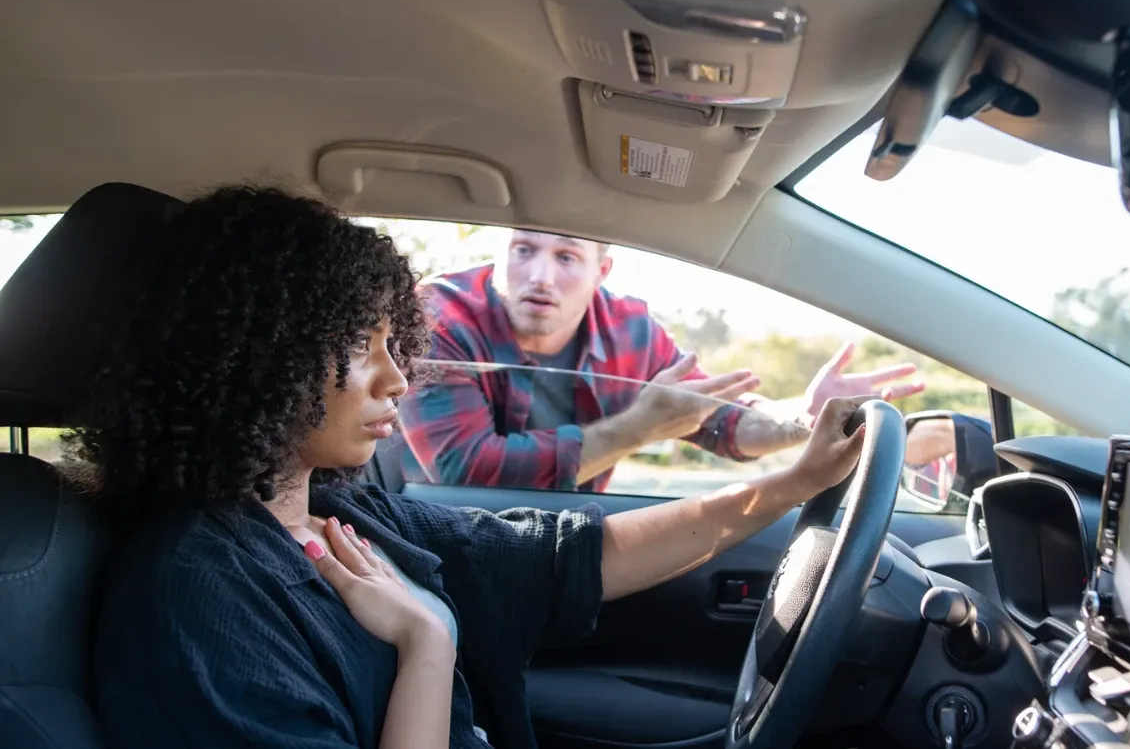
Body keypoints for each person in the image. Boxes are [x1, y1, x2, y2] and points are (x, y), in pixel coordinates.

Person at [73, 186, 874, 749]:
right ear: (254, 354)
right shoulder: (197, 597)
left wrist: (796, 480)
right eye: (362, 347)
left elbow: (572, 557)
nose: (398, 377)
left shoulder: (340, 511)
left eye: (397, 344)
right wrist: (430, 643)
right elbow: (473, 467)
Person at [393, 228, 926, 490]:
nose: (540, 276)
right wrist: (634, 431)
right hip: (439, 536)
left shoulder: (632, 329)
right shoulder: (442, 316)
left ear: (602, 271)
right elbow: (465, 471)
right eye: (523, 249)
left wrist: (803, 420)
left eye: (567, 257)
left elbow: (718, 421)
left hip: (568, 540)